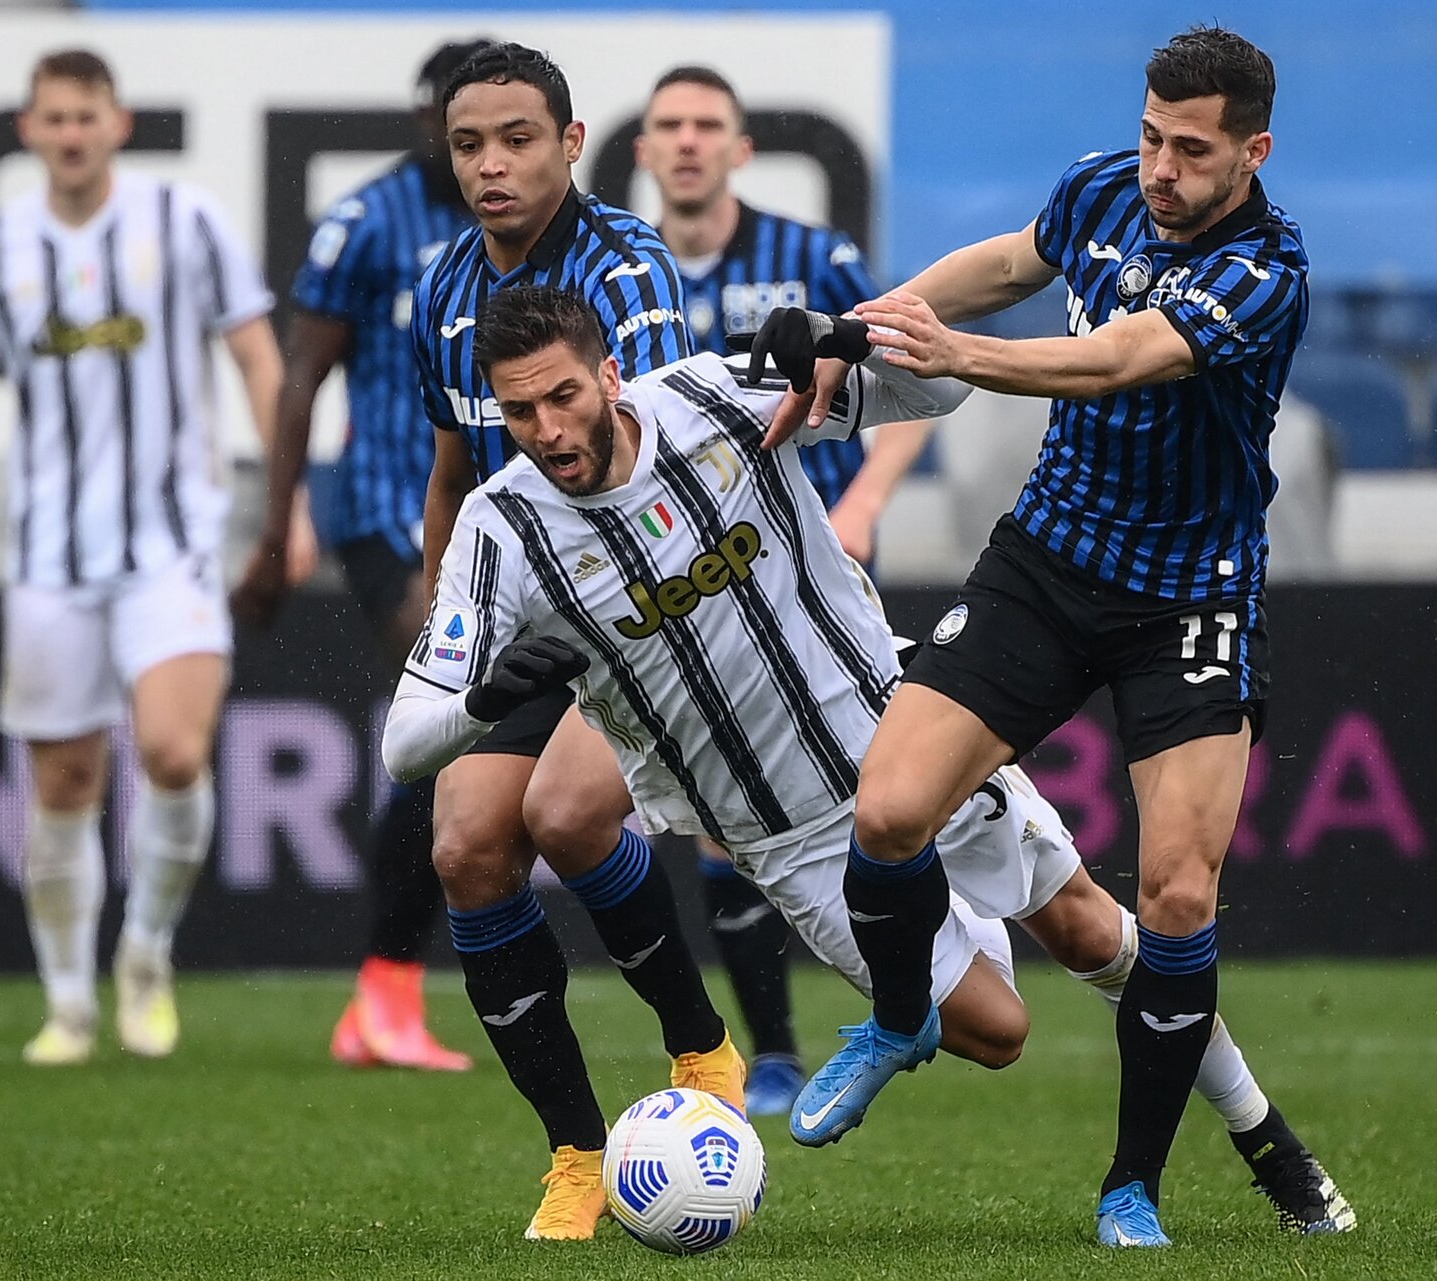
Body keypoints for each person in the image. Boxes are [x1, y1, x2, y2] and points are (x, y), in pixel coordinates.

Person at [381, 286, 1354, 1241]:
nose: (547, 428)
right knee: (998, 1033)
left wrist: (847, 341)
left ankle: (1265, 1135)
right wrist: (487, 699)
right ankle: (922, 955)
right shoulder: (501, 531)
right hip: (789, 839)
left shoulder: (717, 397)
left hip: (905, 743)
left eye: (563, 397)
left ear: (609, 373)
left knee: (1090, 931)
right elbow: (406, 739)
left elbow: (941, 395)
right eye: (518, 411)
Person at [770, 27, 1352, 1245]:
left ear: (1254, 152)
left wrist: (956, 359)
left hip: (1189, 600)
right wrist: (861, 327)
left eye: (1191, 150)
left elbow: (1118, 360)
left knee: (1179, 896)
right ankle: (897, 1016)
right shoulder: (1101, 184)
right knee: (887, 815)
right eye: (1152, 136)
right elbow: (996, 266)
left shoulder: (1265, 268)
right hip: (1048, 565)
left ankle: (1131, 1186)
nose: (1159, 168)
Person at [0, 49, 307, 1065]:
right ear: (30, 131)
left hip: (173, 543)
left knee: (174, 752)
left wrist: (285, 507)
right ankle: (67, 1003)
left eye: (88, 115)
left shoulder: (185, 224)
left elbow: (260, 361)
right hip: (50, 556)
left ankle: (144, 951)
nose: (73, 133)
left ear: (119, 123)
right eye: (55, 118)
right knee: (66, 781)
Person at [406, 42, 738, 1241]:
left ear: (570, 144)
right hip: (522, 618)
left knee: (562, 815)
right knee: (463, 850)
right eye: (468, 145)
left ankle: (701, 1052)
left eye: (517, 140)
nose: (492, 166)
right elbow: (452, 473)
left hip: (649, 605)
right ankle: (578, 1155)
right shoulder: (444, 290)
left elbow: (644, 466)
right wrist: (446, 624)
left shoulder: (628, 272)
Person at [634, 64, 939, 1114]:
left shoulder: (812, 258)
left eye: (705, 124)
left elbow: (903, 387)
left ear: (739, 148)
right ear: (641, 150)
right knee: (733, 809)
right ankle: (774, 1050)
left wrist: (863, 510)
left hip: (827, 560)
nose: (685, 141)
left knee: (886, 788)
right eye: (667, 125)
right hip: (708, 577)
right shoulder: (632, 278)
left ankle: (929, 989)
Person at [231, 39, 496, 1072]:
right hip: (391, 515)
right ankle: (385, 989)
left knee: (452, 741)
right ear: (423, 115)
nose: (460, 140)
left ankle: (384, 997)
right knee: (459, 710)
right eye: (446, 116)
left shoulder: (529, 223)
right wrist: (274, 529)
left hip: (507, 526)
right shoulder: (369, 223)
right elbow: (300, 380)